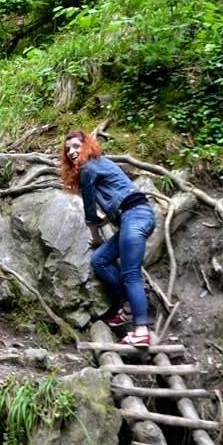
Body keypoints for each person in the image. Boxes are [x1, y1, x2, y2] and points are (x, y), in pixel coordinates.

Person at [61, 130, 156, 348]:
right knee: (100, 260)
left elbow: (89, 209)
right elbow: (115, 196)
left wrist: (95, 237)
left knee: (131, 273)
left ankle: (141, 329)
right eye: (68, 149)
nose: (72, 152)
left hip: (136, 216)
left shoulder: (88, 167)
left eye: (76, 146)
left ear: (87, 146)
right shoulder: (98, 165)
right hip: (131, 218)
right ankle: (128, 305)